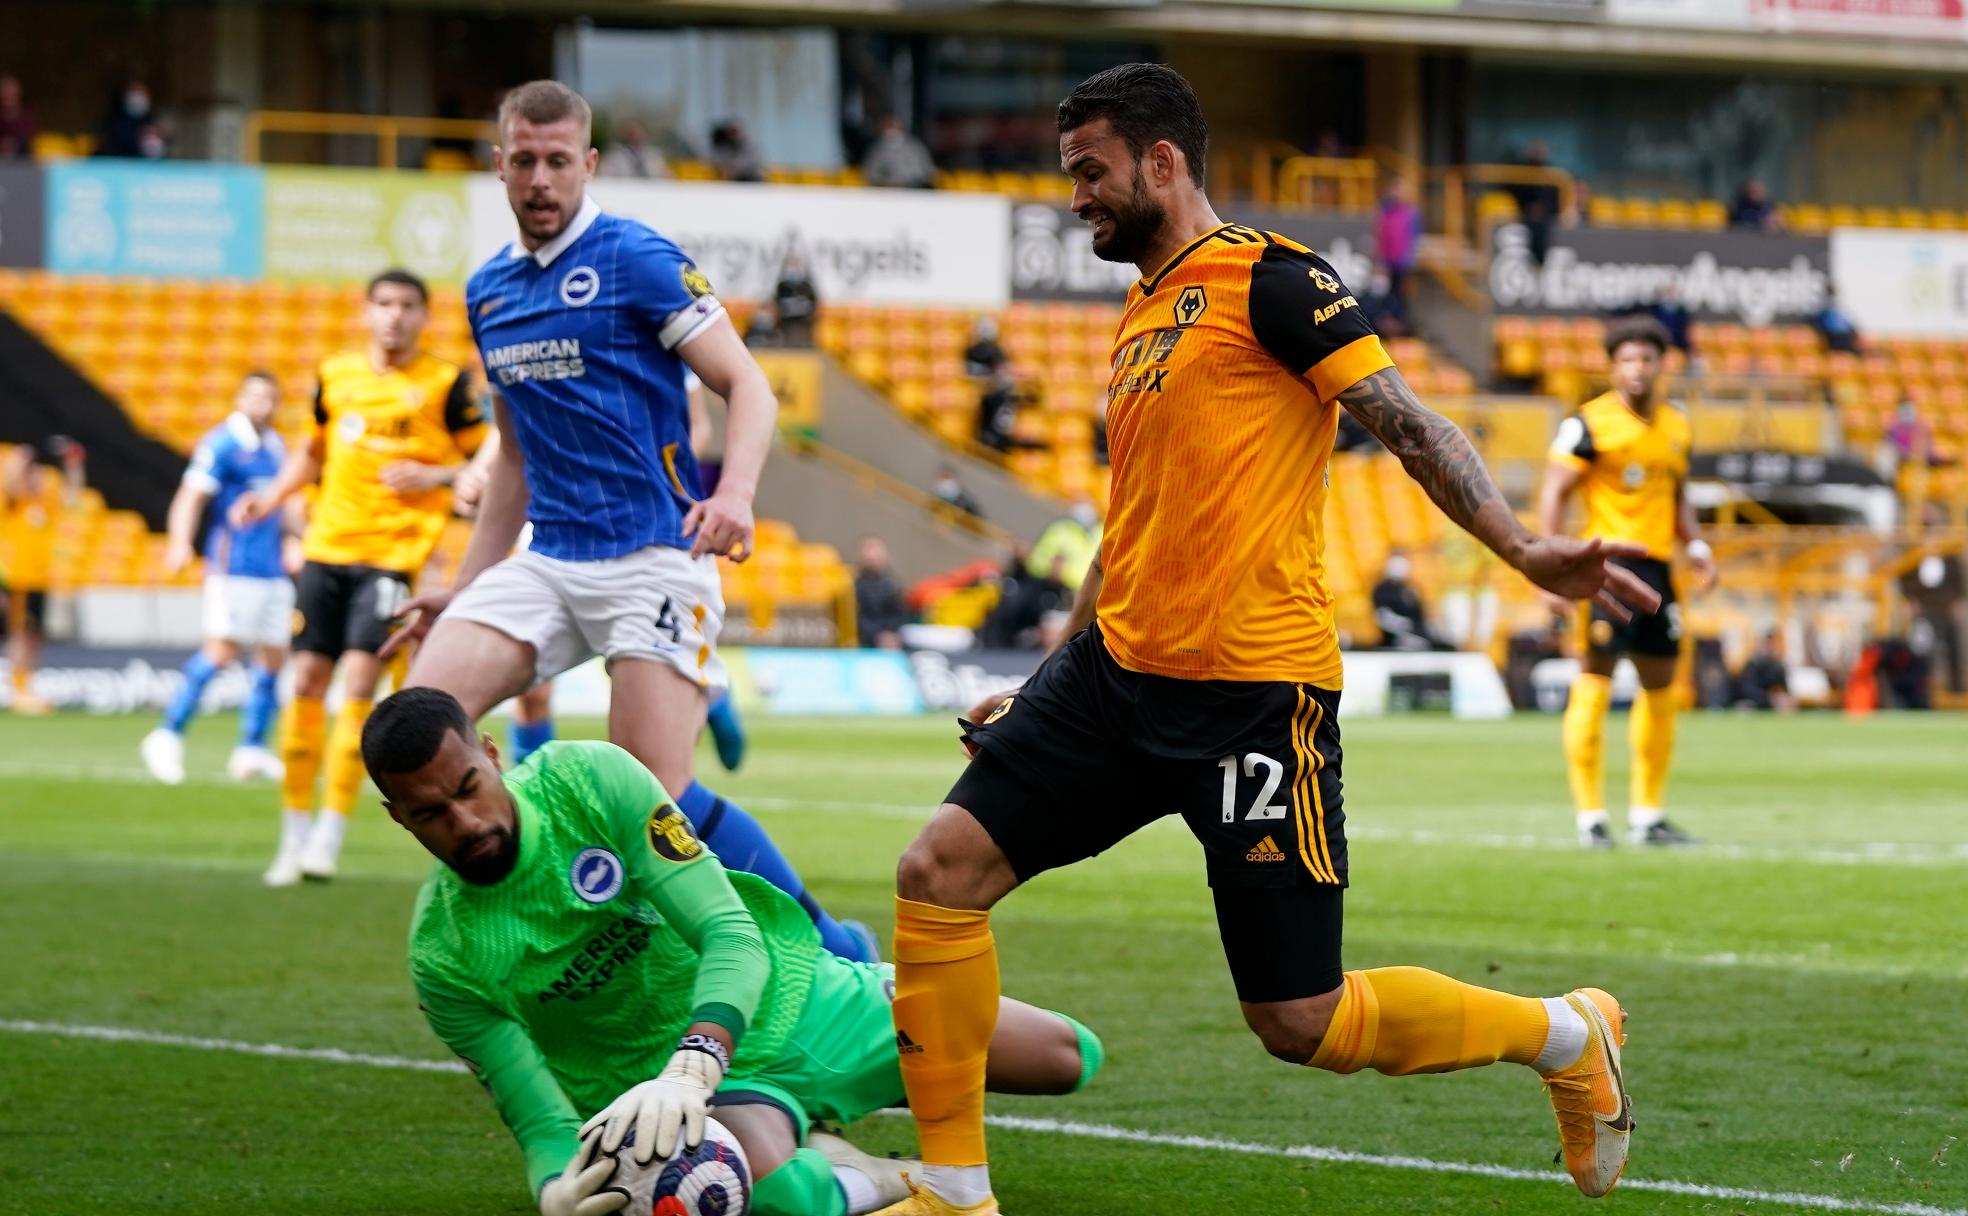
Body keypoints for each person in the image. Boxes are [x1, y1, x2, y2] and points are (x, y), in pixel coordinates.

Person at [874, 64, 1658, 1216]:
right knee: (936, 873)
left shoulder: (1273, 280)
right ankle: (954, 1190)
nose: (1077, 197)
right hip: (1111, 677)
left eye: (1090, 171)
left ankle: (1564, 1032)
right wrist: (1044, 675)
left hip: (1250, 698)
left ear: (1162, 161)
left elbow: (1411, 423)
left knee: (1303, 1020)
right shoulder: (1138, 318)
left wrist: (1522, 548)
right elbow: (1130, 523)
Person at [380, 80, 876, 964]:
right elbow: (515, 465)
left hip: (652, 555)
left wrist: (734, 495)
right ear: (499, 165)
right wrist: (459, 592)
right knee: (422, 720)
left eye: (558, 161)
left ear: (589, 164)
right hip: (549, 561)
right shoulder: (489, 290)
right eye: (523, 161)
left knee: (657, 803)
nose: (540, 179)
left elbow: (749, 385)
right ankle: (523, 915)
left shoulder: (634, 258)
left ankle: (834, 944)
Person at [364, 687, 1103, 1216]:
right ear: (399, 818)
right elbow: (540, 1122)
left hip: (789, 999)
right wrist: (555, 1188)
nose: (466, 822)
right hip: (695, 1100)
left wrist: (696, 1058)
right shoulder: (445, 956)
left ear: (492, 754)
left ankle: (829, 1110)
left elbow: (730, 932)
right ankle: (891, 1176)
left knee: (1067, 1056)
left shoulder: (589, 779)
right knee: (783, 1197)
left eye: (470, 787)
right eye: (431, 813)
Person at [231, 268, 486, 886]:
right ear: (367, 312)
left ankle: (328, 834)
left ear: (425, 316)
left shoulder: (445, 383)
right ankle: (292, 834)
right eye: (384, 304)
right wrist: (272, 495)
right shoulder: (335, 375)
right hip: (326, 548)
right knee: (308, 681)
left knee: (360, 685)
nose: (394, 316)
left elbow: (489, 453)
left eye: (407, 306)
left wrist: (439, 477)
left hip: (392, 556)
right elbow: (314, 452)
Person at [1539, 315, 1717, 851]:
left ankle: (1648, 815)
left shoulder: (1678, 425)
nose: (1638, 369)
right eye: (1627, 360)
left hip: (1660, 571)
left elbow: (1677, 495)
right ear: (1613, 368)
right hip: (1607, 570)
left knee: (1662, 689)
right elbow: (1554, 493)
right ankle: (1591, 816)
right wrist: (1550, 562)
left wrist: (1699, 546)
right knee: (1594, 681)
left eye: (1647, 359)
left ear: (1663, 365)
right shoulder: (1588, 425)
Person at [140, 372, 294, 785]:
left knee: (274, 656)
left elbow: (284, 503)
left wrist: (296, 539)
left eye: (270, 397)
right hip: (234, 566)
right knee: (222, 651)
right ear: (240, 398)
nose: (263, 404)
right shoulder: (222, 443)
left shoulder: (276, 445)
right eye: (256, 396)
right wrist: (179, 543)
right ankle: (166, 734)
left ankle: (251, 749)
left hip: (273, 568)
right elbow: (191, 495)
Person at [2, 438, 83, 715]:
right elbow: (10, 481)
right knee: (20, 635)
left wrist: (73, 463)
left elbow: (74, 496)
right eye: (33, 472)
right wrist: (21, 457)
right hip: (19, 579)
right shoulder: (16, 503)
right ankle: (17, 689)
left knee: (35, 636)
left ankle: (29, 686)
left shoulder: (45, 504)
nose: (37, 477)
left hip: (41, 579)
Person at [1370, 548, 1448, 651]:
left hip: (1419, 635)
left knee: (1444, 646)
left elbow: (1421, 615)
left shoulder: (1411, 588)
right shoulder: (1382, 589)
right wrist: (1407, 629)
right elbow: (1383, 617)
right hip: (1395, 639)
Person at [1026, 497, 1099, 592]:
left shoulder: (1098, 532)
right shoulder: (1061, 529)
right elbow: (1038, 559)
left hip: (1076, 589)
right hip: (1046, 582)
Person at [1507, 141, 1562, 265]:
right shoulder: (1519, 173)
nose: (1538, 155)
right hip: (1525, 213)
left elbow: (1556, 198)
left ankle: (1540, 260)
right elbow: (1515, 193)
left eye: (1541, 152)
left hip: (1546, 215)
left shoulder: (1553, 175)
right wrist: (1528, 207)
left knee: (1543, 228)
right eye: (1536, 152)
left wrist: (1545, 208)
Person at [854, 537, 907, 649]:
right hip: (863, 642)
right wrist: (876, 636)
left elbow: (897, 614)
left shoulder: (892, 585)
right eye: (870, 557)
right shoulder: (854, 585)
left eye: (877, 557)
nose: (873, 559)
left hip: (888, 641)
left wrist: (890, 633)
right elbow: (857, 616)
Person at [1373, 177, 1420, 300]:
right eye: (1395, 190)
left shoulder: (1411, 213)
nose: (1397, 194)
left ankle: (1399, 316)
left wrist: (1410, 260)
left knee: (1402, 293)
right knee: (1384, 292)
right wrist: (1379, 259)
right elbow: (1379, 234)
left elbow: (1414, 237)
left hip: (1402, 261)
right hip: (1387, 259)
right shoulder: (1385, 211)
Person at [862, 114, 936, 189]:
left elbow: (926, 171)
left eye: (892, 127)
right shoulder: (877, 148)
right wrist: (885, 181)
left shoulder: (914, 146)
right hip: (886, 190)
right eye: (887, 128)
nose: (890, 131)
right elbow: (869, 172)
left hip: (913, 189)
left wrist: (906, 181)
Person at [1731, 630, 1794, 711]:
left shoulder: (1778, 666)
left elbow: (1784, 688)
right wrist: (1770, 698)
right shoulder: (1753, 664)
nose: (1770, 648)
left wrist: (1784, 698)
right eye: (1768, 645)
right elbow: (1748, 690)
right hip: (1752, 702)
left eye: (1773, 645)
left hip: (1772, 703)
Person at [98, 78, 154, 159]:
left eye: (140, 91)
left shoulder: (154, 120)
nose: (137, 97)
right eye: (133, 91)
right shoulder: (113, 121)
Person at [771, 254, 819, 348]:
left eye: (795, 265)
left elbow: (814, 303)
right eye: (790, 265)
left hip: (803, 324)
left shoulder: (806, 286)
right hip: (786, 325)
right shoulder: (782, 286)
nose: (792, 269)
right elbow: (776, 304)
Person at [597, 118, 670, 179]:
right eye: (630, 133)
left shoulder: (654, 156)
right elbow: (604, 177)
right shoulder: (613, 156)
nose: (634, 136)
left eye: (636, 132)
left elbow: (666, 177)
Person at [1356, 265, 1407, 338]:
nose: (1380, 279)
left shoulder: (1394, 300)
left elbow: (1403, 321)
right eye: (1377, 274)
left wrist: (1394, 326)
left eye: (1384, 274)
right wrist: (1378, 323)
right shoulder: (1362, 300)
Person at [1647, 283, 1692, 361]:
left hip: (1678, 341)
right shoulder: (1654, 310)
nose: (1669, 296)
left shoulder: (1682, 311)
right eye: (1667, 293)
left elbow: (1685, 330)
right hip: (1659, 339)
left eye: (1672, 293)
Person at [1811, 285, 1861, 355]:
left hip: (1844, 337)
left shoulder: (1840, 311)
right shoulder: (1823, 311)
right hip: (1833, 338)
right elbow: (1819, 326)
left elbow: (1851, 326)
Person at [0, 75, 36, 160]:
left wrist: (15, 144)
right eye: (5, 95)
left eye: (11, 95)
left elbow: (32, 139)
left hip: (21, 163)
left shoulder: (26, 117)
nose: (8, 99)